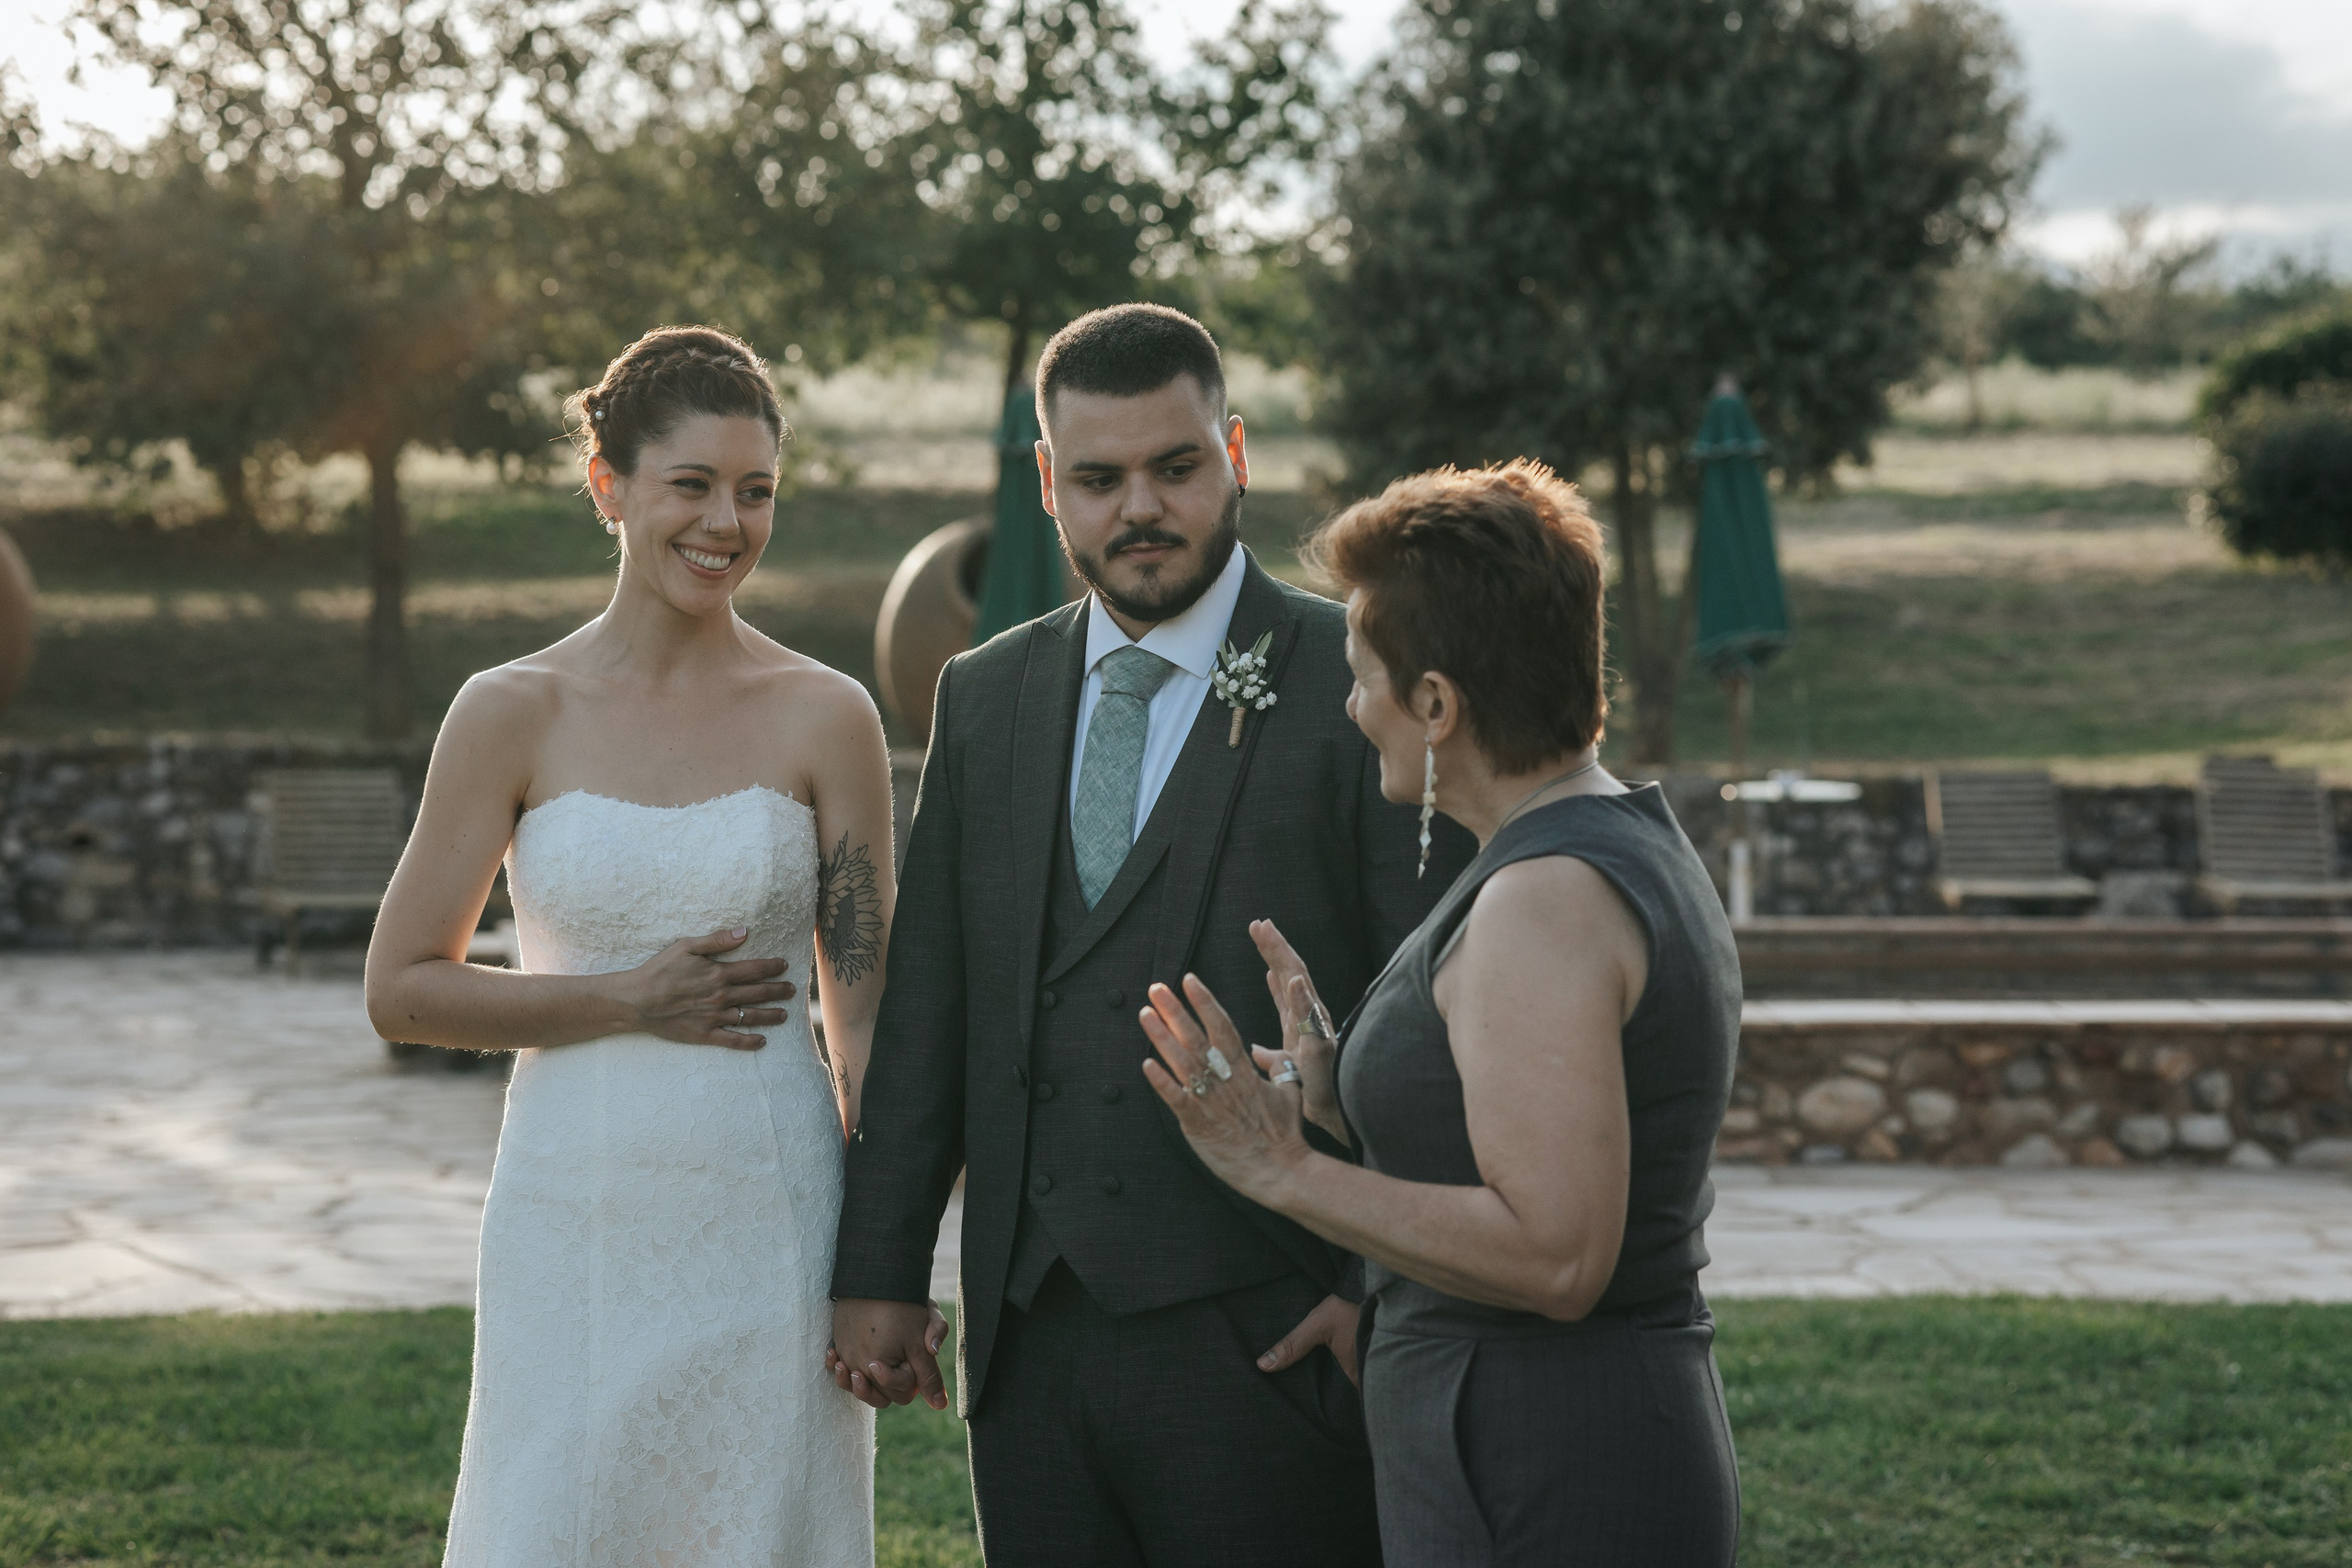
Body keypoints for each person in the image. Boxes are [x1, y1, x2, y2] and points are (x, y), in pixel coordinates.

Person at [826, 303, 1473, 1566]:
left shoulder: (1353, 676)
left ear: (1233, 450)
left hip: (1273, 1335)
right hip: (1028, 1340)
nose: (1141, 508)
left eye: (1176, 467)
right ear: (1047, 483)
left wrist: (1375, 1284)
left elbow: (1433, 997)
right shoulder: (987, 690)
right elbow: (933, 1005)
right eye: (1100, 477)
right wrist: (884, 1262)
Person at [1134, 460, 1744, 1566]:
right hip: (1526, 1441)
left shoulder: (1543, 901)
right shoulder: (1588, 840)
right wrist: (1333, 1088)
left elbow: (1558, 1255)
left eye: (1362, 677)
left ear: (1434, 704)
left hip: (1545, 1465)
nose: (1350, 706)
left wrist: (1286, 1172)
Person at [364, 325, 905, 1565]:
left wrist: (887, 1261)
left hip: (774, 1215)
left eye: (756, 490)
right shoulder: (510, 711)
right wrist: (622, 995)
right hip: (575, 1208)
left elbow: (866, 1019)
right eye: (694, 485)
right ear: (609, 486)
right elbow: (402, 990)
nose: (728, 522)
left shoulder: (829, 715)